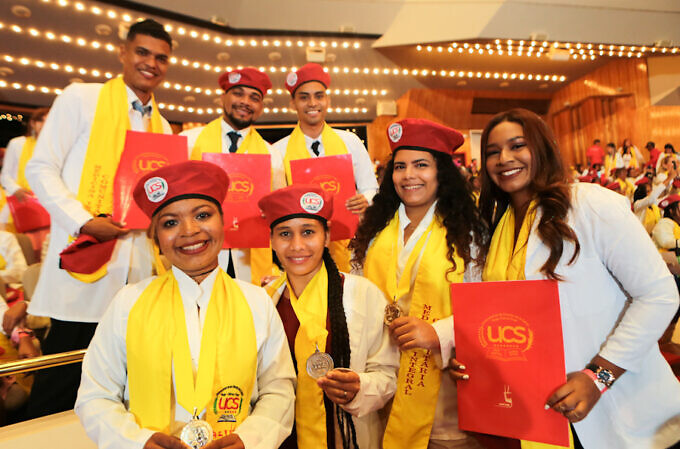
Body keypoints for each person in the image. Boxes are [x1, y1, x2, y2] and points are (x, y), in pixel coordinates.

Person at [454, 108, 680, 448]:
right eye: (492, 152)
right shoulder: (492, 229)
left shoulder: (589, 204)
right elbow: (496, 316)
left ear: (542, 148)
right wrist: (474, 358)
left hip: (619, 408)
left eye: (518, 146)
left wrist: (599, 375)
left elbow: (660, 295)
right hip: (536, 412)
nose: (504, 158)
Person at [75, 160, 296, 449]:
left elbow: (278, 389)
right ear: (155, 238)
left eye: (202, 215)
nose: (189, 231)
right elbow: (96, 395)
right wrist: (137, 442)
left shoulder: (257, 302)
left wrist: (249, 439)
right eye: (170, 222)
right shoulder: (128, 302)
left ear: (223, 221)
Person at [23, 19, 174, 418]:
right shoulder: (81, 98)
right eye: (143, 52)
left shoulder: (161, 124)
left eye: (161, 57)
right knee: (59, 389)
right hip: (85, 262)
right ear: (123, 52)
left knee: (119, 390)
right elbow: (40, 168)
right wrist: (83, 221)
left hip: (137, 272)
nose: (151, 63)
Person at [350, 118, 487, 449]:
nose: (409, 175)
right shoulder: (374, 232)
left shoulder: (469, 233)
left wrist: (439, 333)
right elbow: (354, 297)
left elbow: (486, 307)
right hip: (382, 391)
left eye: (421, 165)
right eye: (400, 166)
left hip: (445, 398)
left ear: (442, 172)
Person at [259, 185, 399, 449]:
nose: (297, 245)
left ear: (326, 236)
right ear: (272, 241)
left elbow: (387, 373)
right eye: (285, 234)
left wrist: (359, 388)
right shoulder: (263, 302)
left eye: (308, 232)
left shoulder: (363, 295)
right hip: (281, 439)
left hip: (347, 436)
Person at [182, 67, 285, 285]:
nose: (245, 102)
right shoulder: (189, 142)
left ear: (260, 107)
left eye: (254, 97)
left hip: (247, 259)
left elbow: (279, 212)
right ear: (223, 97)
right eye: (238, 93)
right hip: (197, 250)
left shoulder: (272, 155)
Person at [273, 63, 379, 271]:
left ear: (327, 100)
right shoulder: (278, 151)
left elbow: (371, 188)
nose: (312, 103)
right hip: (300, 248)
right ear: (293, 103)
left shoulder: (351, 142)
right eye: (304, 97)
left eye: (319, 96)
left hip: (348, 243)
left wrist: (365, 199)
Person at [0, 108, 49, 203]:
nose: (43, 125)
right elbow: (5, 175)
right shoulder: (17, 144)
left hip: (44, 201)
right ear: (32, 123)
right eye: (40, 120)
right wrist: (16, 190)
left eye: (48, 121)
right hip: (16, 198)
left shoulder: (56, 148)